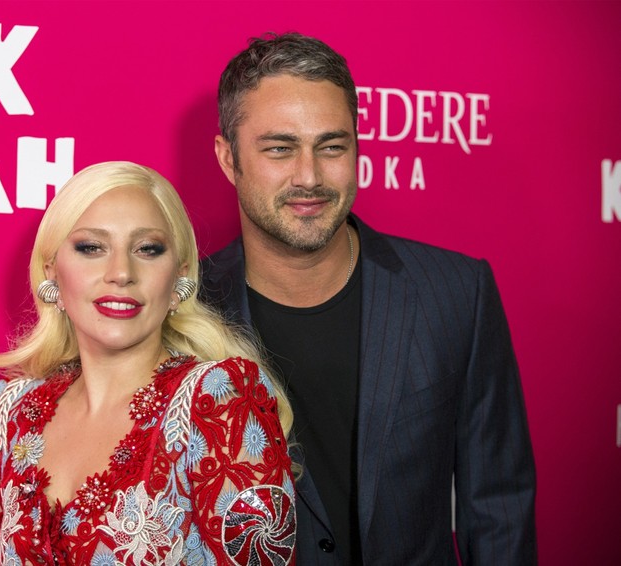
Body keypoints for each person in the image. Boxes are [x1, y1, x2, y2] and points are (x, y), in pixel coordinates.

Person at [200, 33, 537, 565]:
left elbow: (499, 510)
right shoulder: (186, 309)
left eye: (332, 146)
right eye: (280, 148)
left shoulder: (455, 294)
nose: (309, 176)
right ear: (228, 158)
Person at [0, 161, 296, 565]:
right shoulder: (15, 408)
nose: (121, 273)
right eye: (92, 248)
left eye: (147, 249)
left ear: (178, 279)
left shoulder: (218, 400)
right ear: (52, 271)